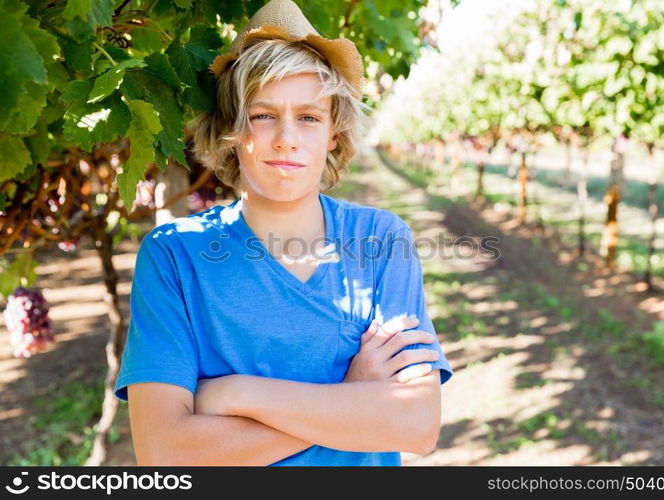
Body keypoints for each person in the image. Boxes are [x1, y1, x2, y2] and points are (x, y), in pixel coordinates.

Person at [114, 0, 453, 466]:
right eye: (263, 115)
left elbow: (415, 425)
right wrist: (353, 399)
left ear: (334, 132)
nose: (286, 138)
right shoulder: (174, 255)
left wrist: (235, 392)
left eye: (310, 117)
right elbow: (165, 453)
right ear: (233, 128)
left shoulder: (380, 240)